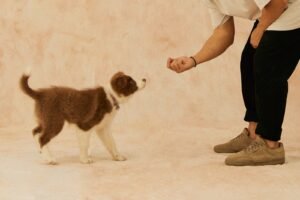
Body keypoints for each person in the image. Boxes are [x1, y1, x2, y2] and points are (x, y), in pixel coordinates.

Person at [167, 0, 300, 166]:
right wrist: (193, 60)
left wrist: (260, 29)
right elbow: (224, 34)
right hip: (275, 11)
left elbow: (278, 2)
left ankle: (269, 144)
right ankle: (254, 133)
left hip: (292, 11)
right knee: (249, 62)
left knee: (268, 65)